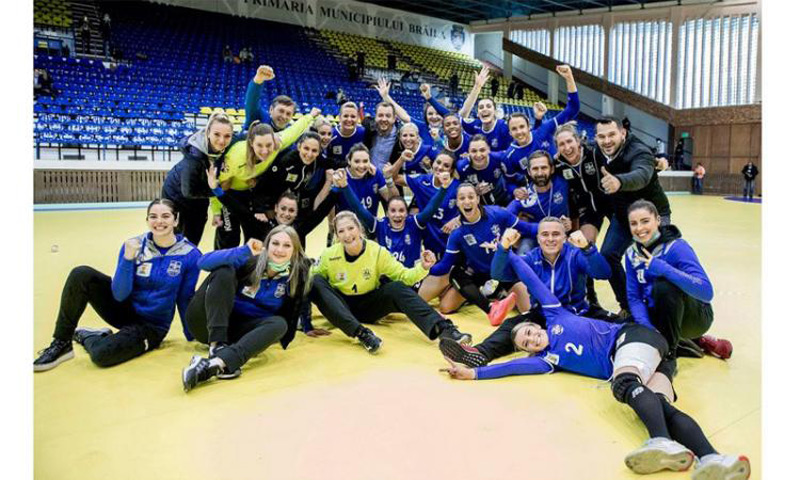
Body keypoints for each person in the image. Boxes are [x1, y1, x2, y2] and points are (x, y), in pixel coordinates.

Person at [439, 233, 751, 480]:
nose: (532, 338)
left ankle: (660, 440)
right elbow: (512, 368)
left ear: (537, 324)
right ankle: (715, 459)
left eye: (530, 332)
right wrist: (474, 374)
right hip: (651, 359)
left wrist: (508, 249)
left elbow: (530, 278)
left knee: (624, 383)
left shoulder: (556, 314)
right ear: (529, 350)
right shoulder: (548, 360)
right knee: (659, 404)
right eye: (526, 343)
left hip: (633, 339)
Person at [34, 200, 201, 371]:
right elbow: (119, 294)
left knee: (101, 355)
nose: (159, 221)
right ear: (147, 220)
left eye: (165, 216)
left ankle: (89, 337)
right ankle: (62, 343)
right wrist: (128, 259)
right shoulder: (134, 245)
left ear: (175, 220)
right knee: (81, 274)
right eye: (153, 217)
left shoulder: (190, 255)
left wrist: (194, 335)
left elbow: (185, 298)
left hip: (151, 326)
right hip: (124, 309)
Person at [308, 211, 472, 353]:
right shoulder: (329, 255)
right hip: (340, 307)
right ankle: (362, 334)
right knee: (314, 280)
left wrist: (423, 267)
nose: (347, 234)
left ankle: (444, 329)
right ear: (337, 236)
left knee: (396, 287)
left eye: (351, 228)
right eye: (341, 231)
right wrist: (306, 322)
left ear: (359, 229)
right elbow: (307, 286)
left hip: (368, 305)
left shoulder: (377, 252)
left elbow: (405, 276)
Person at [181, 225, 313, 392]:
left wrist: (308, 325)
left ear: (294, 251)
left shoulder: (295, 277)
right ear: (267, 245)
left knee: (280, 324)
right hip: (207, 323)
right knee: (224, 270)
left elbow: (298, 307)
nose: (279, 250)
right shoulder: (249, 260)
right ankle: (217, 345)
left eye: (287, 245)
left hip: (239, 333)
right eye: (275, 243)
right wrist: (244, 250)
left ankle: (215, 364)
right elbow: (202, 262)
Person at [625, 200, 732, 360]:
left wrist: (663, 268)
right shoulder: (631, 254)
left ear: (658, 220)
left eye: (645, 221)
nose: (639, 228)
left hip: (695, 316)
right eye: (633, 223)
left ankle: (669, 354)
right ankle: (698, 342)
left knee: (663, 287)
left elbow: (706, 292)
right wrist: (647, 327)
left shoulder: (677, 247)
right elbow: (634, 297)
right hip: (660, 313)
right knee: (625, 324)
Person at [419, 183, 538, 319]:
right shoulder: (457, 233)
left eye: (471, 197)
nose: (467, 201)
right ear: (457, 203)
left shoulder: (498, 213)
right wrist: (426, 268)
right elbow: (445, 266)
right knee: (446, 306)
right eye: (462, 198)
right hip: (478, 274)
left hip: (504, 271)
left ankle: (495, 293)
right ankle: (485, 297)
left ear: (478, 199)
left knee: (529, 310)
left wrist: (551, 228)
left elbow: (528, 228)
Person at [593, 116, 671, 317]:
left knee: (655, 261)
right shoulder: (597, 151)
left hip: (652, 215)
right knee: (608, 255)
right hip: (623, 216)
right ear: (596, 138)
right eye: (602, 136)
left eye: (612, 135)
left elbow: (642, 174)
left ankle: (662, 310)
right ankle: (628, 306)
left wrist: (619, 182)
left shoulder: (639, 151)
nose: (607, 141)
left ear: (623, 133)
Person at [210, 106, 319, 250]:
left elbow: (293, 131)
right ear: (251, 143)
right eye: (259, 145)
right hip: (230, 193)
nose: (265, 150)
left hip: (250, 193)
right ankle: (220, 263)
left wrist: (310, 115)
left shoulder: (277, 144)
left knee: (252, 235)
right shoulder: (235, 158)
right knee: (229, 236)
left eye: (269, 145)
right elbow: (215, 183)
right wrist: (216, 211)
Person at [335, 166, 450, 267]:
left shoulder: (414, 223)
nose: (397, 215)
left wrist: (444, 188)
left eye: (401, 210)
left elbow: (431, 208)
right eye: (393, 211)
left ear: (407, 213)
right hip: (387, 279)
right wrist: (345, 186)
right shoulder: (380, 225)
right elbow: (359, 208)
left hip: (412, 279)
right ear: (387, 213)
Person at [161, 112, 235, 246]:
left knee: (194, 237)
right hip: (176, 195)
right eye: (217, 134)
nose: (222, 140)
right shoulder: (194, 158)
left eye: (227, 136)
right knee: (179, 240)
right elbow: (189, 191)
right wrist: (216, 189)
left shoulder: (221, 151)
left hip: (198, 195)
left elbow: (211, 182)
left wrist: (216, 209)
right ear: (208, 133)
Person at [392, 151, 461, 258]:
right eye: (438, 162)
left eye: (446, 166)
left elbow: (475, 208)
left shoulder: (457, 187)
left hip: (450, 240)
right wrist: (402, 159)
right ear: (433, 163)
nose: (440, 167)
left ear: (451, 170)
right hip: (429, 241)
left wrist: (457, 219)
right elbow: (394, 178)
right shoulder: (422, 181)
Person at [507, 150, 571, 254]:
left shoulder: (563, 182)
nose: (540, 173)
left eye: (544, 168)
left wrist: (570, 224)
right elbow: (505, 217)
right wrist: (528, 228)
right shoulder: (524, 197)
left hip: (560, 236)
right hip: (534, 238)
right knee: (524, 249)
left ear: (552, 169)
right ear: (529, 172)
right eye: (535, 169)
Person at [333, 143, 397, 219]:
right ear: (349, 161)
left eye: (365, 161)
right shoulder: (341, 177)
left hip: (370, 224)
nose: (361, 166)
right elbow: (330, 206)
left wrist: (389, 179)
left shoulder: (375, 174)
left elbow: (394, 200)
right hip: (347, 224)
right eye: (357, 161)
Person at [456, 134, 511, 206]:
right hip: (478, 205)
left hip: (504, 198)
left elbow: (514, 179)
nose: (478, 155)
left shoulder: (499, 158)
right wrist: (474, 191)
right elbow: (458, 192)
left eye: (482, 150)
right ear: (468, 152)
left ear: (488, 150)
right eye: (474, 151)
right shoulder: (461, 168)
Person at [244, 65, 296, 132]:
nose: (284, 116)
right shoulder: (259, 118)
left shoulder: (292, 131)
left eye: (288, 114)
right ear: (271, 109)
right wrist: (259, 79)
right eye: (281, 111)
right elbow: (252, 102)